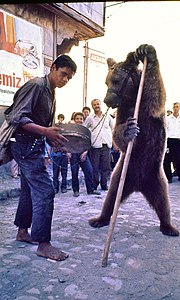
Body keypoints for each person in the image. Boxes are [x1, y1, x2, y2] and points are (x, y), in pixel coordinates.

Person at [7, 54, 77, 261]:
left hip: (33, 147)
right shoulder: (37, 85)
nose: (64, 80)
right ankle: (43, 244)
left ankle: (22, 232)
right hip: (24, 146)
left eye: (68, 78)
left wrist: (51, 139)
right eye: (63, 74)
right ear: (53, 68)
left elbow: (43, 126)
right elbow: (16, 118)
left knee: (29, 190)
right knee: (46, 190)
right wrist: (46, 132)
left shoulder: (51, 91)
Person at [84, 99, 115, 191]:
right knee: (95, 167)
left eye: (98, 104)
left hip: (106, 145)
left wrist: (113, 142)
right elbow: (85, 130)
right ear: (92, 106)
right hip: (95, 146)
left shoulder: (108, 117)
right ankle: (94, 185)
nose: (96, 106)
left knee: (106, 167)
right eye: (94, 105)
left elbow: (113, 128)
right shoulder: (90, 118)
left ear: (100, 105)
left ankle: (104, 184)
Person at [67, 112, 100, 197]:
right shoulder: (70, 129)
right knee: (74, 172)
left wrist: (85, 152)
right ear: (74, 120)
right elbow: (67, 141)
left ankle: (90, 189)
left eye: (81, 119)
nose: (79, 120)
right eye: (77, 119)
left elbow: (89, 142)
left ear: (83, 120)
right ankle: (76, 190)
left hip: (83, 153)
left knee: (89, 171)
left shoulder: (86, 130)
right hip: (73, 153)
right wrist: (68, 152)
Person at [51, 113, 68, 194]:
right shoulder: (54, 129)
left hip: (64, 154)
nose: (60, 120)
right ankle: (55, 187)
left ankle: (64, 187)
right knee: (55, 172)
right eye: (59, 118)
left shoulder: (65, 130)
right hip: (56, 155)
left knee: (64, 172)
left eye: (62, 118)